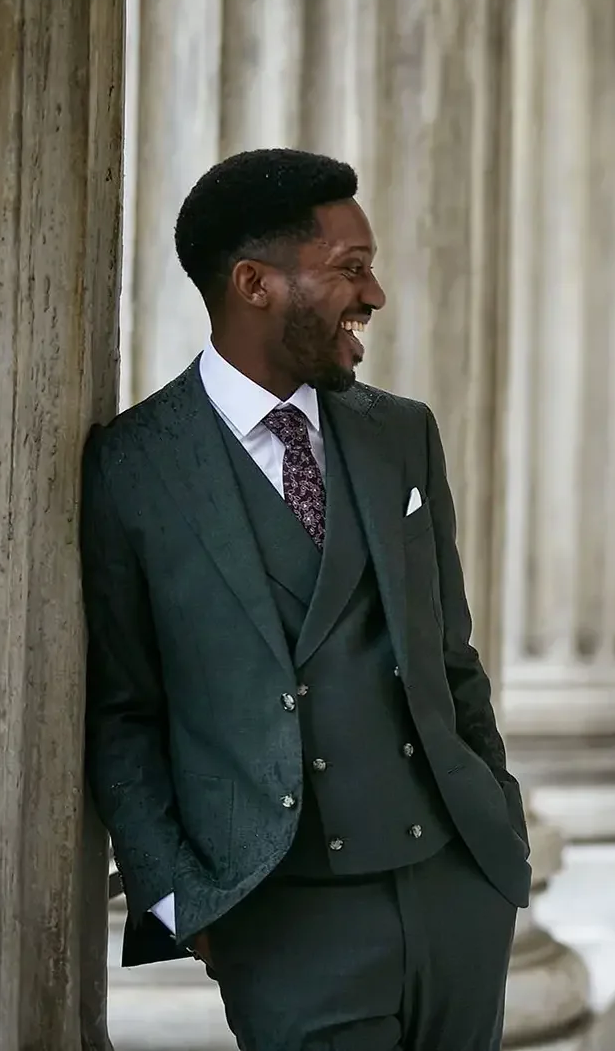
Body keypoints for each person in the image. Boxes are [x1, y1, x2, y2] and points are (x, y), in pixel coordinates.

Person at [81, 147, 531, 1049]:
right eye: (349, 269)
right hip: (285, 926)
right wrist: (178, 896)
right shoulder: (134, 465)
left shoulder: (402, 433)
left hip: (453, 893)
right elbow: (124, 710)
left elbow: (452, 656)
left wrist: (499, 830)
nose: (375, 295)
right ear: (255, 283)